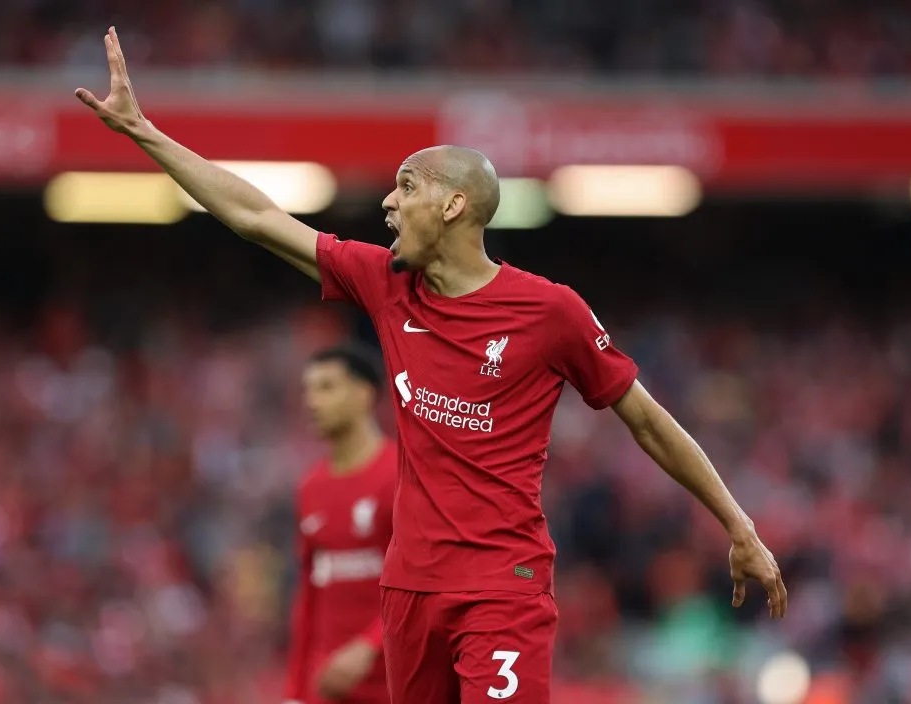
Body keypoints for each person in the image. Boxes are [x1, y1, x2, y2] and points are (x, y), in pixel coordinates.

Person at [76, 27, 788, 704]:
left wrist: (737, 524)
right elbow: (258, 217)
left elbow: (648, 422)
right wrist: (144, 132)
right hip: (409, 590)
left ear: (453, 205)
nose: (388, 202)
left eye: (406, 186)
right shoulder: (385, 284)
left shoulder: (550, 311)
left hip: (501, 588)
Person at [283, 344, 396, 704]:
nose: (311, 402)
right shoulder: (310, 487)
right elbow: (309, 595)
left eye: (326, 387)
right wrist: (295, 693)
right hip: (330, 689)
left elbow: (429, 584)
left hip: (395, 685)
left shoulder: (401, 476)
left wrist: (369, 645)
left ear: (364, 394)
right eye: (308, 390)